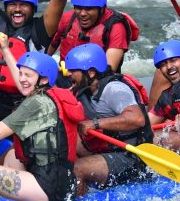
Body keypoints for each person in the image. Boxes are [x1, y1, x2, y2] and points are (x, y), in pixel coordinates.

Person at [0, 43, 86, 201]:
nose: (22, 79)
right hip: (63, 183)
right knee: (12, 155)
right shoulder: (50, 95)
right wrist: (6, 51)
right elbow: (24, 85)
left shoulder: (35, 103)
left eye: (27, 75)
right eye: (20, 73)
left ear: (43, 79)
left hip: (47, 186)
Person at [64, 43, 153, 190]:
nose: (68, 74)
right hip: (107, 150)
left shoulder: (114, 89)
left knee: (77, 169)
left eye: (73, 70)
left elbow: (137, 119)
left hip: (131, 157)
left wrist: (95, 123)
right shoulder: (86, 89)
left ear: (91, 72)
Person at [47, 0, 140, 73]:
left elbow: (110, 69)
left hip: (98, 81)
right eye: (78, 8)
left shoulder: (116, 27)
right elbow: (51, 48)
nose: (82, 13)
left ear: (102, 9)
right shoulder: (67, 19)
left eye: (89, 9)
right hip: (65, 77)